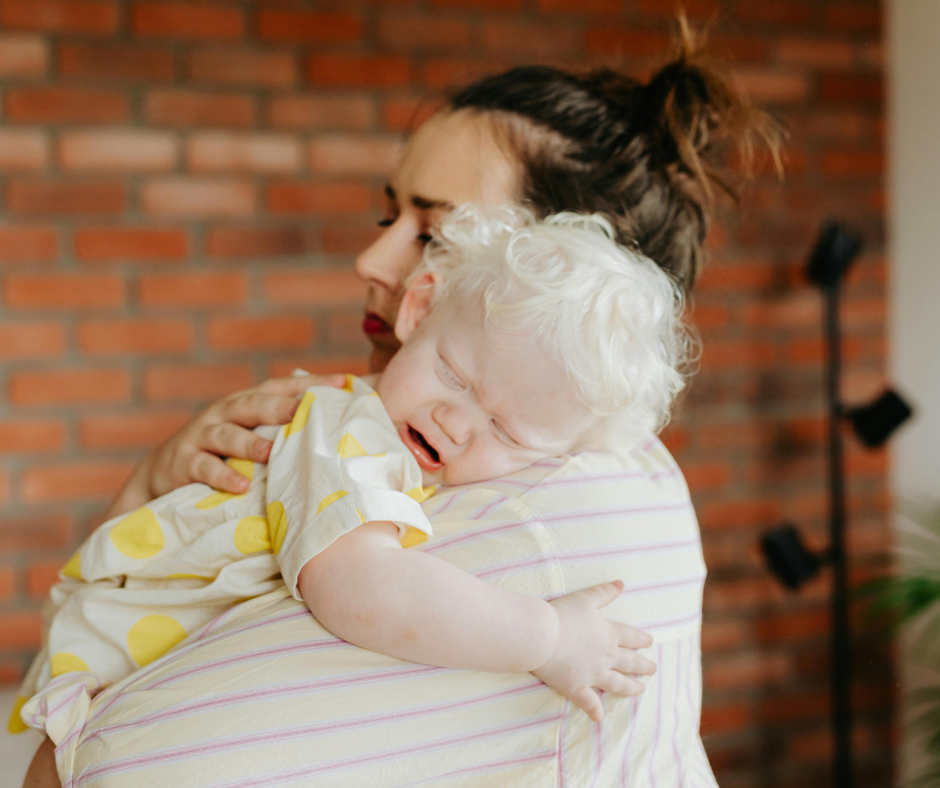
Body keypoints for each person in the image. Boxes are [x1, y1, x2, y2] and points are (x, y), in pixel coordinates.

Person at [21, 23, 779, 788]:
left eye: (435, 232)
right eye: (392, 217)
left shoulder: (563, 503)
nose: (371, 260)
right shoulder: (358, 428)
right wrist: (157, 480)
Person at [17, 209, 689, 778]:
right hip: (96, 668)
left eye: (507, 432)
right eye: (453, 374)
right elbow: (357, 587)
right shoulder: (346, 430)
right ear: (419, 308)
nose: (454, 424)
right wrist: (547, 637)